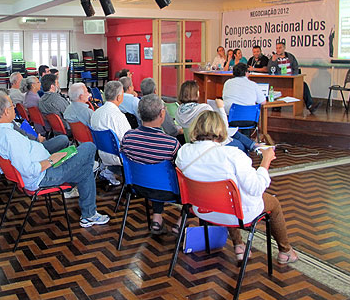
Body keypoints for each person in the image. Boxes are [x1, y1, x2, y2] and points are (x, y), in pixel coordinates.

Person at [175, 111, 298, 264]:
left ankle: (239, 245)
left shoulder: (183, 152)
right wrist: (266, 161)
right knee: (273, 204)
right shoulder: (233, 155)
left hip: (201, 210)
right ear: (221, 129)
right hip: (234, 213)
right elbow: (256, 188)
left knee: (227, 198)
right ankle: (285, 252)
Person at [0, 91, 109, 228]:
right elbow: (29, 170)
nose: (14, 108)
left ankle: (87, 210)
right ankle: (86, 209)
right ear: (5, 112)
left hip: (38, 163)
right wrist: (51, 160)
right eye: (12, 106)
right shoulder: (9, 138)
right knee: (89, 147)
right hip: (43, 175)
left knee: (79, 162)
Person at [120, 94, 181, 235]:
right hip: (168, 191)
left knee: (155, 175)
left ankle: (157, 219)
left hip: (137, 187)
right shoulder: (171, 144)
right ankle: (179, 223)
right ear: (162, 114)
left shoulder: (128, 137)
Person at [175, 80, 260, 154]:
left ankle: (253, 145)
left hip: (194, 142)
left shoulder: (178, 111)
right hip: (212, 142)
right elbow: (223, 127)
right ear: (197, 93)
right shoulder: (204, 108)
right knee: (241, 146)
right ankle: (253, 151)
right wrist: (220, 108)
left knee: (234, 132)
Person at [90, 80, 130, 185]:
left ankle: (109, 171)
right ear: (119, 97)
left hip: (102, 154)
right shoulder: (118, 116)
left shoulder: (96, 113)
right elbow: (128, 139)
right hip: (117, 157)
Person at [268, 42, 319, 113]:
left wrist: (294, 77)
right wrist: (273, 61)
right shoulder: (273, 58)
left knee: (303, 85)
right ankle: (276, 106)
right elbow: (270, 70)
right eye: (277, 48)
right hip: (279, 80)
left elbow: (296, 68)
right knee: (274, 86)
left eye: (280, 48)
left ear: (284, 48)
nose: (278, 50)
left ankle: (310, 105)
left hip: (291, 79)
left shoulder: (290, 57)